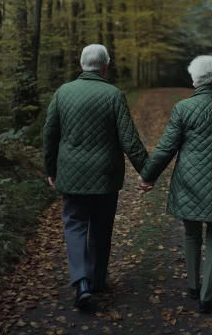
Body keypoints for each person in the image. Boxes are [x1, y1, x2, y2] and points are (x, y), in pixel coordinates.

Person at [138, 55, 212, 313]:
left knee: (191, 233)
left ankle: (193, 286)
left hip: (188, 183)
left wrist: (148, 175)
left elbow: (166, 148)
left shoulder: (183, 109)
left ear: (195, 79)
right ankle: (206, 297)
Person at [43, 44, 149, 308]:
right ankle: (97, 281)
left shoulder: (62, 92)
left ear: (82, 64)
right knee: (101, 229)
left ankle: (81, 283)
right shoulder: (113, 95)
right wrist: (148, 171)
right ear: (105, 66)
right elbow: (129, 140)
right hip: (105, 176)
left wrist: (50, 169)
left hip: (71, 174)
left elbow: (50, 134)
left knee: (75, 226)